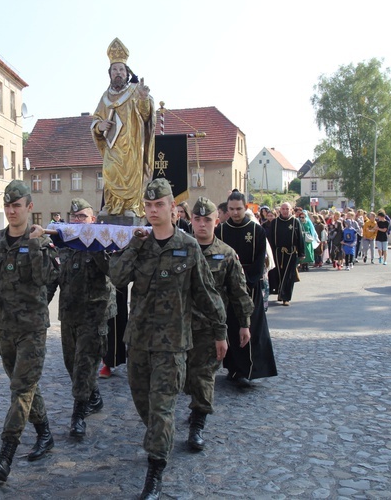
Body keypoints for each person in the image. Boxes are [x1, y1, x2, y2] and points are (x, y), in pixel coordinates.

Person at [110, 179, 227, 500]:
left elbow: (206, 293)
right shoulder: (141, 246)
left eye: (159, 205)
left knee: (162, 409)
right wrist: (133, 245)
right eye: (148, 206)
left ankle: (155, 471)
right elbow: (117, 278)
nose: (152, 211)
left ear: (173, 209)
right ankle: (160, 439)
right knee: (143, 403)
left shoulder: (188, 247)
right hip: (138, 342)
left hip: (173, 344)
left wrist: (220, 331)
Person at [0, 180, 60, 482]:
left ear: (29, 207)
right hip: (6, 329)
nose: (12, 211)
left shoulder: (41, 241)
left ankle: (6, 454)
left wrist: (37, 245)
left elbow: (47, 277)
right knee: (22, 385)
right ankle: (45, 433)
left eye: (17, 206)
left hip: (33, 329)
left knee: (20, 389)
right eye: (8, 206)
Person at [185, 197, 252, 451]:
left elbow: (239, 292)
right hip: (178, 327)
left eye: (207, 220)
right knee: (185, 377)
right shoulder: (180, 248)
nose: (202, 225)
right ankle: (194, 407)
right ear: (191, 220)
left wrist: (244, 323)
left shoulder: (226, 254)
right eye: (197, 219)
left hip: (210, 328)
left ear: (217, 221)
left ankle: (197, 424)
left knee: (203, 376)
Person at [48, 198, 116, 439]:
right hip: (68, 313)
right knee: (71, 364)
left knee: (85, 364)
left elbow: (114, 272)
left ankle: (78, 414)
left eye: (83, 217)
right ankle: (93, 396)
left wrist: (96, 245)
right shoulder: (64, 245)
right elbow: (54, 278)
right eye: (74, 217)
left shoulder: (103, 242)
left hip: (94, 314)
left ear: (93, 220)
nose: (78, 221)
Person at [216, 191, 278, 387]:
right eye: (232, 209)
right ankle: (233, 368)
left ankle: (251, 369)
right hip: (227, 290)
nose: (235, 213)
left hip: (250, 288)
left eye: (239, 209)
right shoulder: (221, 231)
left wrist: (244, 280)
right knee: (231, 329)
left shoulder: (257, 231)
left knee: (253, 329)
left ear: (246, 208)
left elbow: (260, 261)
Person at [91, 37, 155, 217]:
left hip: (132, 146)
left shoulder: (135, 91)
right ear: (110, 73)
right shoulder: (105, 97)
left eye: (121, 69)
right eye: (114, 70)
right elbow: (96, 119)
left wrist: (144, 99)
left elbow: (146, 115)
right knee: (109, 172)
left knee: (131, 175)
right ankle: (111, 205)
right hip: (112, 147)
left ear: (127, 73)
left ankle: (131, 206)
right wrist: (99, 126)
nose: (118, 73)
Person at [266, 202, 304, 306]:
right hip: (277, 252)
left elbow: (300, 238)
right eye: (283, 209)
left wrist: (301, 253)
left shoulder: (295, 222)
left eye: (287, 209)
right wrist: (269, 253)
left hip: (290, 252)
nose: (285, 211)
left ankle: (286, 297)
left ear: (291, 210)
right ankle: (280, 292)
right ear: (280, 210)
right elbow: (270, 239)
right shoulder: (275, 222)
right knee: (278, 274)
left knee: (289, 276)